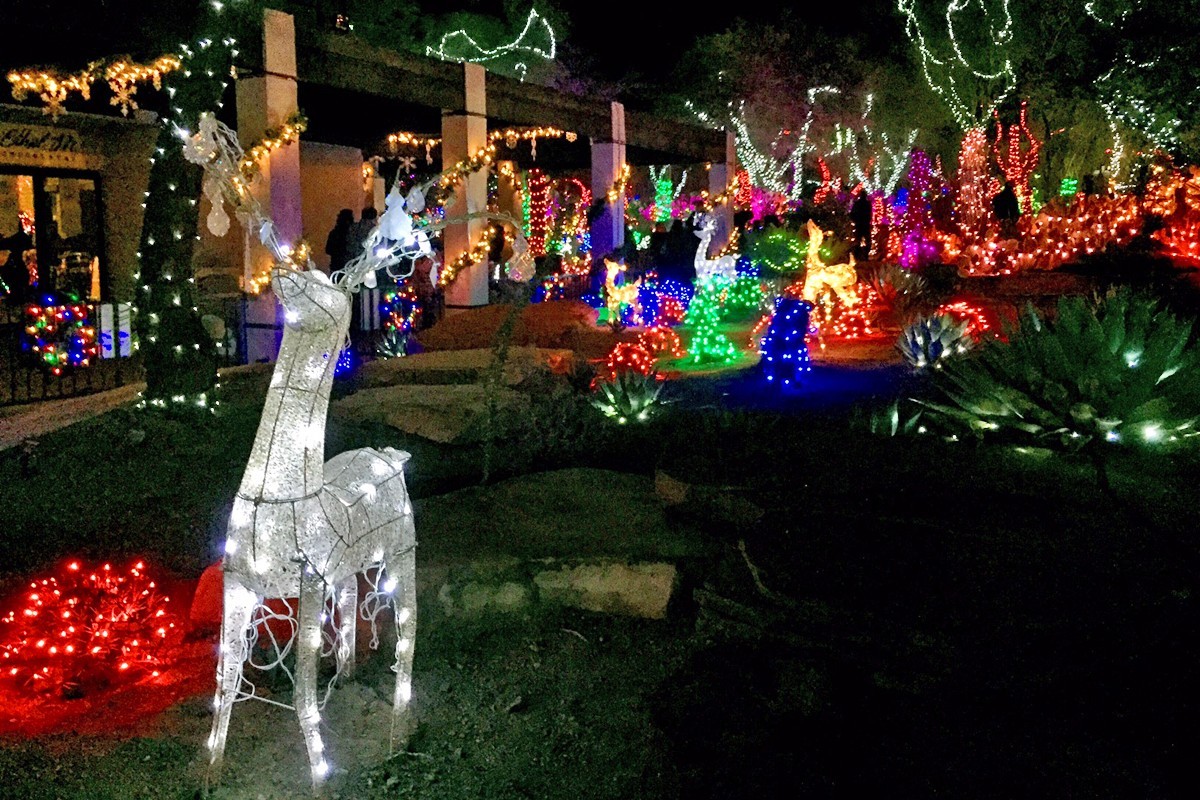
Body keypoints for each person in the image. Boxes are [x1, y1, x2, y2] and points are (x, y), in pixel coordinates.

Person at [0, 218, 34, 304]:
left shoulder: (16, 238)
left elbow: (5, 244)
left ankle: (16, 296)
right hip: (21, 265)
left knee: (11, 278)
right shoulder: (25, 238)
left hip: (16, 265)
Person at [324, 208, 354, 274]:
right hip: (350, 266)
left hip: (336, 266)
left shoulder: (334, 233)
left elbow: (328, 250)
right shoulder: (352, 234)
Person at [850, 189, 872, 260]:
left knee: (858, 240)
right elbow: (870, 214)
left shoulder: (857, 203)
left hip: (859, 224)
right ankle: (864, 255)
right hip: (865, 224)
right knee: (867, 240)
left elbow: (852, 213)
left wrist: (854, 220)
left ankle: (858, 255)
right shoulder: (867, 204)